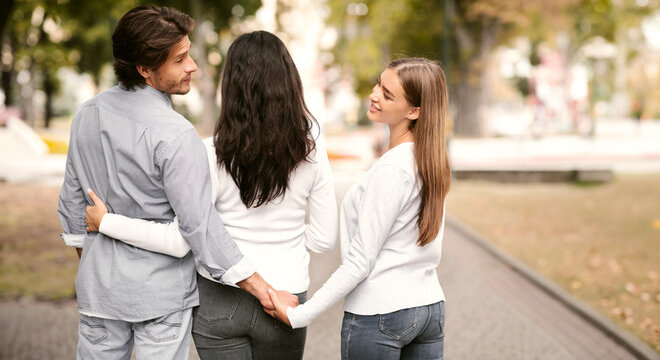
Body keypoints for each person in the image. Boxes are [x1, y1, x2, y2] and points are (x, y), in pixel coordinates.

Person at [83, 31, 338, 359]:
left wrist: (107, 222)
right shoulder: (311, 151)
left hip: (220, 299)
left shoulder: (210, 153)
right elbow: (324, 238)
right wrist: (283, 240)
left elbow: (180, 240)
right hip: (286, 298)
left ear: (231, 87)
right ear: (290, 82)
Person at [57, 6, 290, 359]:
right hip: (161, 300)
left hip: (99, 294)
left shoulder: (87, 114)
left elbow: (74, 205)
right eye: (180, 60)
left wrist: (100, 269)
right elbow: (199, 228)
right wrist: (263, 290)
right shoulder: (177, 134)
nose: (192, 66)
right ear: (145, 70)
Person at [271, 57, 452, 360]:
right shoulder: (431, 162)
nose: (374, 94)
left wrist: (298, 316)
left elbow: (359, 262)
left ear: (414, 111)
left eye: (387, 94)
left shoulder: (394, 169)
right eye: (380, 84)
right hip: (430, 309)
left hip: (381, 314)